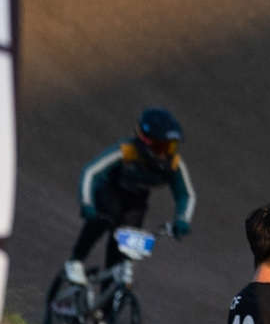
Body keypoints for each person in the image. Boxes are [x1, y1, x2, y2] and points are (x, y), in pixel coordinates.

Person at [61, 108, 194, 289]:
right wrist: (86, 204)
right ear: (145, 141)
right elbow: (91, 172)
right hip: (111, 191)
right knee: (105, 216)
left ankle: (102, 312)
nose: (165, 154)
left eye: (170, 147)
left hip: (136, 202)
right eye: (160, 147)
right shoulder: (127, 151)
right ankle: (76, 260)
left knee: (121, 250)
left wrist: (182, 220)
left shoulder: (174, 164)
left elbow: (185, 194)